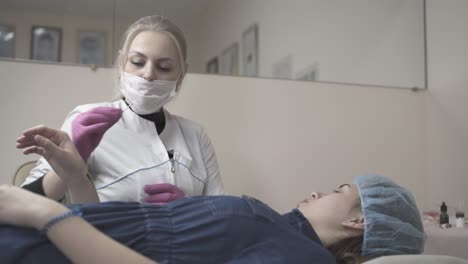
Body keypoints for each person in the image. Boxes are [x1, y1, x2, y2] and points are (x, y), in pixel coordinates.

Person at [0, 125, 425, 264]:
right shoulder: (279, 229)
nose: (318, 191)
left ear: (359, 221)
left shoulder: (301, 257)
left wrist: (45, 215)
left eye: (339, 190)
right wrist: (76, 179)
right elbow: (119, 243)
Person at [22, 15, 224, 204]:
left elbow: (224, 216)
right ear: (121, 64)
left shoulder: (196, 136)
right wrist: (72, 162)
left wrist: (189, 210)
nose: (148, 74)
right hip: (105, 241)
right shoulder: (87, 121)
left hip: (186, 241)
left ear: (182, 74)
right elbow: (26, 203)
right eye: (137, 62)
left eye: (164, 67)